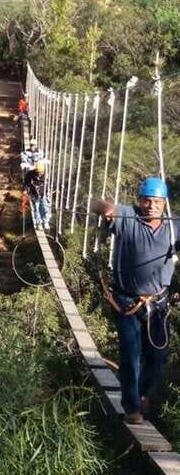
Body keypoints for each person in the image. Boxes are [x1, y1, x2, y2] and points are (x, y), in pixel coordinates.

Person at [92, 177, 180, 425]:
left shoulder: (174, 227)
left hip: (158, 305)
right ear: (139, 201)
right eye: (146, 201)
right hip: (127, 303)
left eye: (156, 202)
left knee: (158, 358)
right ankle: (132, 408)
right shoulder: (127, 217)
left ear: (165, 204)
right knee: (130, 355)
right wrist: (106, 208)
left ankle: (141, 393)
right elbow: (98, 205)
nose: (150, 206)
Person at [24, 161, 50, 230]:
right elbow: (26, 182)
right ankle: (39, 223)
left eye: (41, 173)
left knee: (45, 208)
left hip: (43, 195)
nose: (39, 174)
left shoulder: (46, 175)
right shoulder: (30, 174)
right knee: (36, 209)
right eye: (38, 173)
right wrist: (26, 189)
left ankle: (45, 222)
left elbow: (48, 184)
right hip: (34, 195)